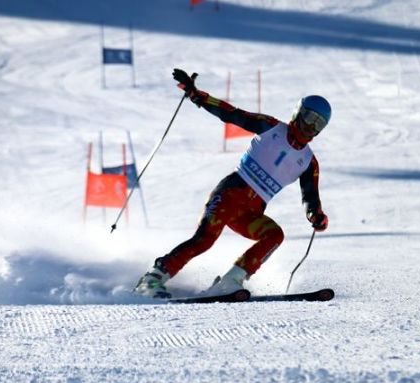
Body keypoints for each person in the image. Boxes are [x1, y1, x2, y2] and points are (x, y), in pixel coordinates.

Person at [134, 68, 331, 298]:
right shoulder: (270, 127)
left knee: (274, 235)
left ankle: (231, 281)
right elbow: (232, 114)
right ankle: (152, 278)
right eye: (309, 118)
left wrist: (315, 216)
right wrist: (197, 95)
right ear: (298, 113)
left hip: (250, 212)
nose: (310, 127)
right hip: (229, 194)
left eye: (318, 124)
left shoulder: (308, 162)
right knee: (204, 240)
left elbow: (310, 197)